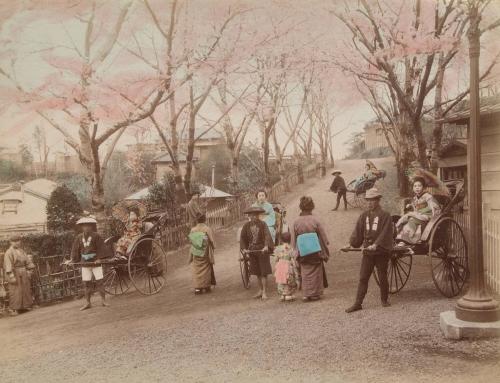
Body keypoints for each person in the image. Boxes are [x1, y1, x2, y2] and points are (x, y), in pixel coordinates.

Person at [344, 188, 393, 313]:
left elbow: (385, 233)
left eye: (372, 200)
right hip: (368, 251)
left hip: (381, 251)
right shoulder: (364, 215)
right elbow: (358, 232)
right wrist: (351, 244)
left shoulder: (385, 215)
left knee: (382, 275)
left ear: (378, 200)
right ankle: (358, 303)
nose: (370, 203)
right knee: (363, 277)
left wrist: (376, 244)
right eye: (368, 200)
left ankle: (384, 299)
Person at [291, 196, 330, 302]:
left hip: (303, 250)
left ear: (301, 207)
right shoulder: (315, 220)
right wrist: (325, 243)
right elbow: (322, 235)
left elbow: (294, 238)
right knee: (316, 270)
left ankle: (306, 294)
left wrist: (295, 249)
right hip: (315, 249)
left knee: (305, 271)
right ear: (311, 207)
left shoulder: (296, 221)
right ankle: (315, 294)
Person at [70, 215, 110, 310]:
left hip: (95, 262)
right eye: (84, 226)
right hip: (85, 263)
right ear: (81, 227)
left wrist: (99, 259)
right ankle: (88, 303)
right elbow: (75, 250)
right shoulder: (79, 237)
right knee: (86, 283)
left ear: (91, 226)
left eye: (88, 225)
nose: (86, 227)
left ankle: (104, 301)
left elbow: (102, 248)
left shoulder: (96, 236)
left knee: (100, 282)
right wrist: (72, 259)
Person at [240, 206, 275, 300]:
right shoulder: (246, 226)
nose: (253, 216)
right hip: (252, 250)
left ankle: (264, 292)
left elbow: (267, 235)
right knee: (257, 272)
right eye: (251, 215)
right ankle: (260, 290)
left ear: (258, 215)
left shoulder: (263, 224)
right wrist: (244, 249)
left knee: (263, 272)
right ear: (249, 216)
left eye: (255, 215)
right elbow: (242, 238)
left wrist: (266, 246)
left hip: (262, 250)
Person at [396, 177, 441, 244]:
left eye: (419, 186)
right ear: (413, 188)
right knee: (406, 219)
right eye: (415, 186)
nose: (417, 188)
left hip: (427, 217)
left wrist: (432, 217)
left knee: (411, 219)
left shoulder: (428, 196)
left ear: (423, 187)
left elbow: (434, 208)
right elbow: (417, 208)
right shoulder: (415, 198)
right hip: (419, 216)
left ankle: (408, 239)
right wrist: (411, 206)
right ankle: (402, 237)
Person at [3, 236, 35, 315]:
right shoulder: (8, 252)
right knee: (15, 290)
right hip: (15, 272)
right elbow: (8, 265)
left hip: (23, 272)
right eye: (14, 241)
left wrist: (29, 270)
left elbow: (27, 261)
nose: (17, 242)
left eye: (18, 241)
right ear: (11, 242)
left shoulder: (21, 250)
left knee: (25, 289)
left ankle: (24, 307)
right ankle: (15, 309)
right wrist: (11, 276)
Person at [188, 213, 216, 294]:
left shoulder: (193, 229)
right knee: (206, 267)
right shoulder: (207, 229)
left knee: (196, 268)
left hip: (196, 251)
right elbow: (211, 240)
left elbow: (190, 241)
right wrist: (213, 246)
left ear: (197, 220)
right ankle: (206, 286)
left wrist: (196, 243)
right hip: (204, 251)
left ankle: (197, 288)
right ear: (204, 220)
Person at [273, 232, 298, 302]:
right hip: (287, 265)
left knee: (281, 279)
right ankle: (288, 294)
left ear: (281, 240)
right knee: (288, 279)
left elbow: (276, 259)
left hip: (280, 265)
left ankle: (282, 294)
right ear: (290, 239)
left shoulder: (278, 248)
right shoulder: (290, 248)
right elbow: (293, 257)